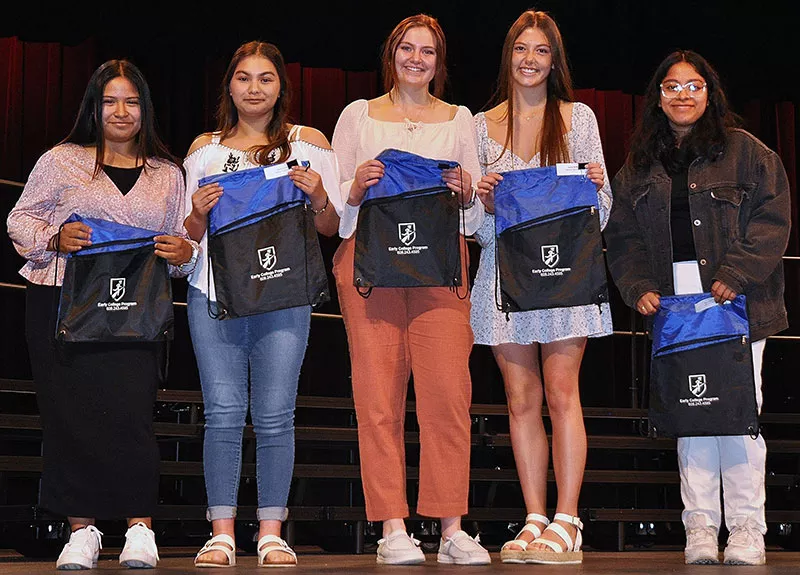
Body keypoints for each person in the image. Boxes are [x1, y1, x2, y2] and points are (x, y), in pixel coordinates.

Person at [6, 59, 196, 570]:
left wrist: (184, 253)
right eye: (109, 100)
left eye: (131, 101)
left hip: (135, 310)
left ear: (145, 110)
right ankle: (81, 530)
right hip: (61, 303)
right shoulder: (61, 160)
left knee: (132, 415)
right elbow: (19, 218)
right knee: (68, 416)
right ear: (93, 107)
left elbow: (181, 249)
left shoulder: (167, 173)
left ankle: (139, 528)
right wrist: (53, 237)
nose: (120, 111)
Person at [604, 50, 790, 566]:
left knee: (738, 413)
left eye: (693, 85)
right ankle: (701, 529)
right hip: (674, 302)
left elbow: (772, 220)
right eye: (671, 86)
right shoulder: (638, 164)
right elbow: (621, 237)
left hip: (736, 297)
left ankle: (749, 529)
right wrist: (637, 285)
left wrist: (735, 273)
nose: (682, 94)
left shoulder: (748, 152)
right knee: (692, 413)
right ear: (657, 97)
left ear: (710, 93)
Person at [330, 13, 490, 566]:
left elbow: (472, 211)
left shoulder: (461, 119)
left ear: (439, 62)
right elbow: (336, 204)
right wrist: (356, 186)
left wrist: (467, 190)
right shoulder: (357, 115)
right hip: (370, 268)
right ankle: (392, 525)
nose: (416, 58)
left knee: (449, 397)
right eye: (406, 48)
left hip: (441, 268)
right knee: (377, 399)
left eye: (427, 51)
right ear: (391, 54)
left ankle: (450, 527)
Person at [183, 40, 343, 568]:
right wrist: (199, 217)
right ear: (229, 84)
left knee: (276, 416)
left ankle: (272, 530)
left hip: (284, 292)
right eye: (245, 78)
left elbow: (333, 226)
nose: (255, 88)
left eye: (266, 78)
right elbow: (185, 238)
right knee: (223, 414)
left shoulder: (308, 142)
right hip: (214, 293)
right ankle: (222, 532)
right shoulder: (203, 150)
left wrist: (318, 193)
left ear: (281, 86)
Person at [469, 10, 613, 565]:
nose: (530, 60)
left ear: (555, 62)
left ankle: (568, 520)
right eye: (521, 49)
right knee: (520, 400)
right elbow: (474, 228)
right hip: (504, 279)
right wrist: (479, 202)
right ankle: (533, 517)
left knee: (561, 393)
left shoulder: (579, 119)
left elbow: (600, 214)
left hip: (564, 280)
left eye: (541, 51)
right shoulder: (479, 127)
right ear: (508, 55)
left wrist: (598, 187)